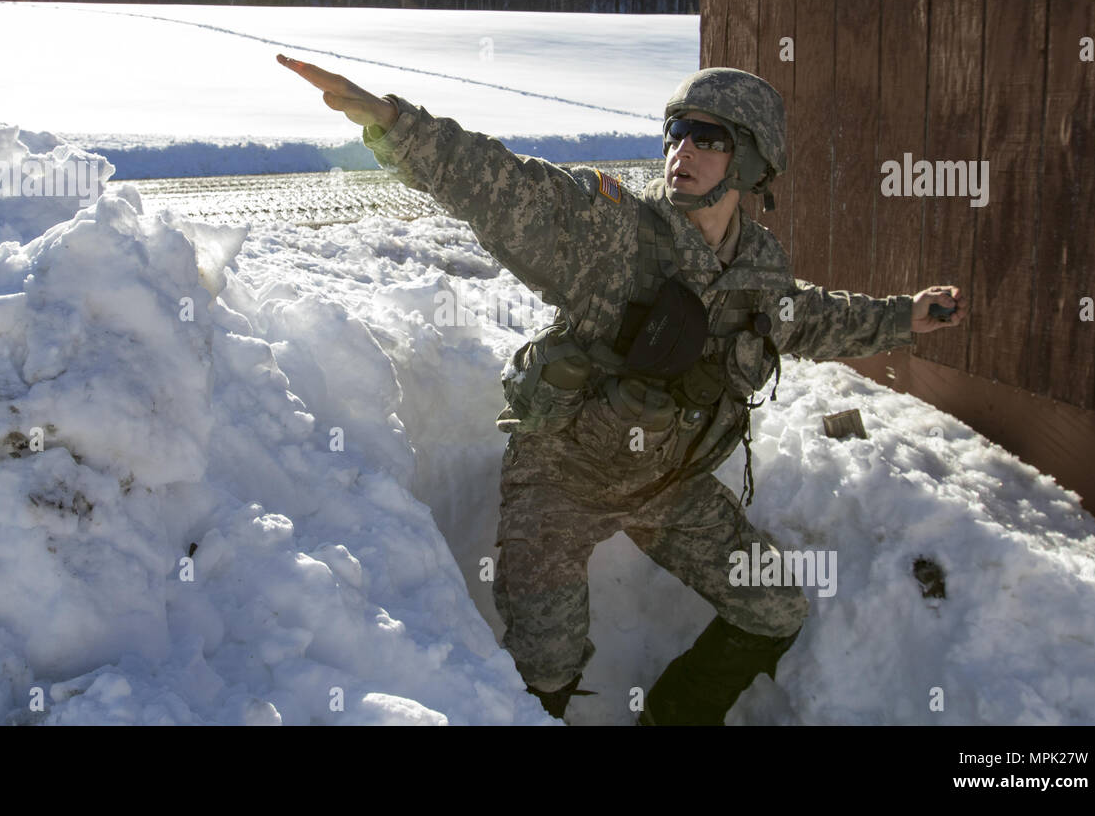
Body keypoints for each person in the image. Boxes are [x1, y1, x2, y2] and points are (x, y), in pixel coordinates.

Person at [278, 52, 968, 725]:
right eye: (675, 132)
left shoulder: (758, 266)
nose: (681, 150)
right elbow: (505, 184)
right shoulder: (612, 232)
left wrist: (903, 317)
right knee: (544, 668)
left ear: (753, 162)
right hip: (561, 478)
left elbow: (812, 317)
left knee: (776, 607)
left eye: (708, 138)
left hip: (669, 487)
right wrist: (395, 123)